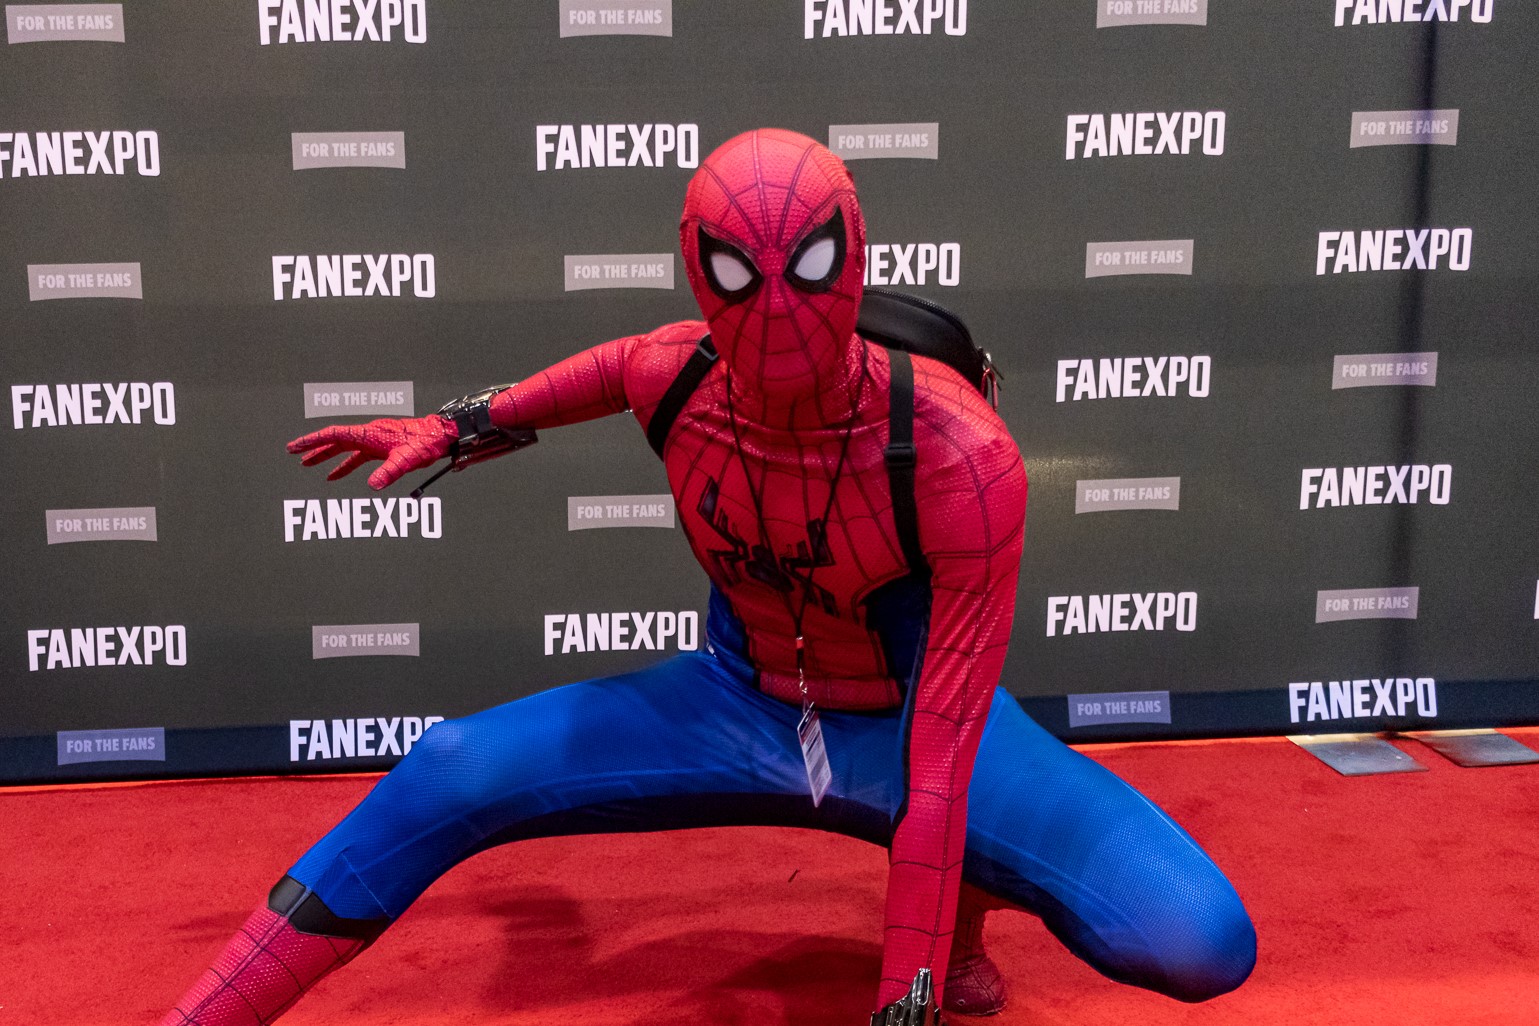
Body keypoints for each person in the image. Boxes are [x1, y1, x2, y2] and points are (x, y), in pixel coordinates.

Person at [160, 128, 1255, 1026]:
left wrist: (906, 994)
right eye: (737, 274)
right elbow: (591, 376)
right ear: (698, 271)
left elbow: (938, 773)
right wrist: (454, 425)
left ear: (853, 259)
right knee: (447, 769)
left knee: (1197, 939)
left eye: (807, 268)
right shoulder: (674, 375)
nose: (776, 310)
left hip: (913, 727)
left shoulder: (961, 455)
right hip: (732, 702)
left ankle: (965, 931)